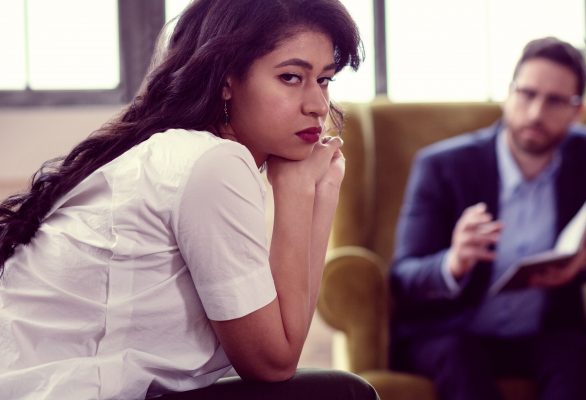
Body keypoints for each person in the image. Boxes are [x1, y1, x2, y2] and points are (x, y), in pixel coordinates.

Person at [0, 1, 378, 399]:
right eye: (290, 77)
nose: (317, 105)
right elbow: (273, 363)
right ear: (226, 80)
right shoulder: (211, 163)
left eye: (324, 80)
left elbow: (284, 338)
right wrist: (297, 193)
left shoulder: (178, 152)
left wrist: (322, 191)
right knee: (343, 393)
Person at [389, 37, 586, 400]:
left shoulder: (585, 155)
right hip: (454, 333)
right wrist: (453, 263)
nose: (536, 112)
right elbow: (403, 275)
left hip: (543, 333)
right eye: (527, 94)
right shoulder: (442, 166)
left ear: (577, 111)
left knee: (574, 357)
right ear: (509, 94)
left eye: (555, 101)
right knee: (459, 358)